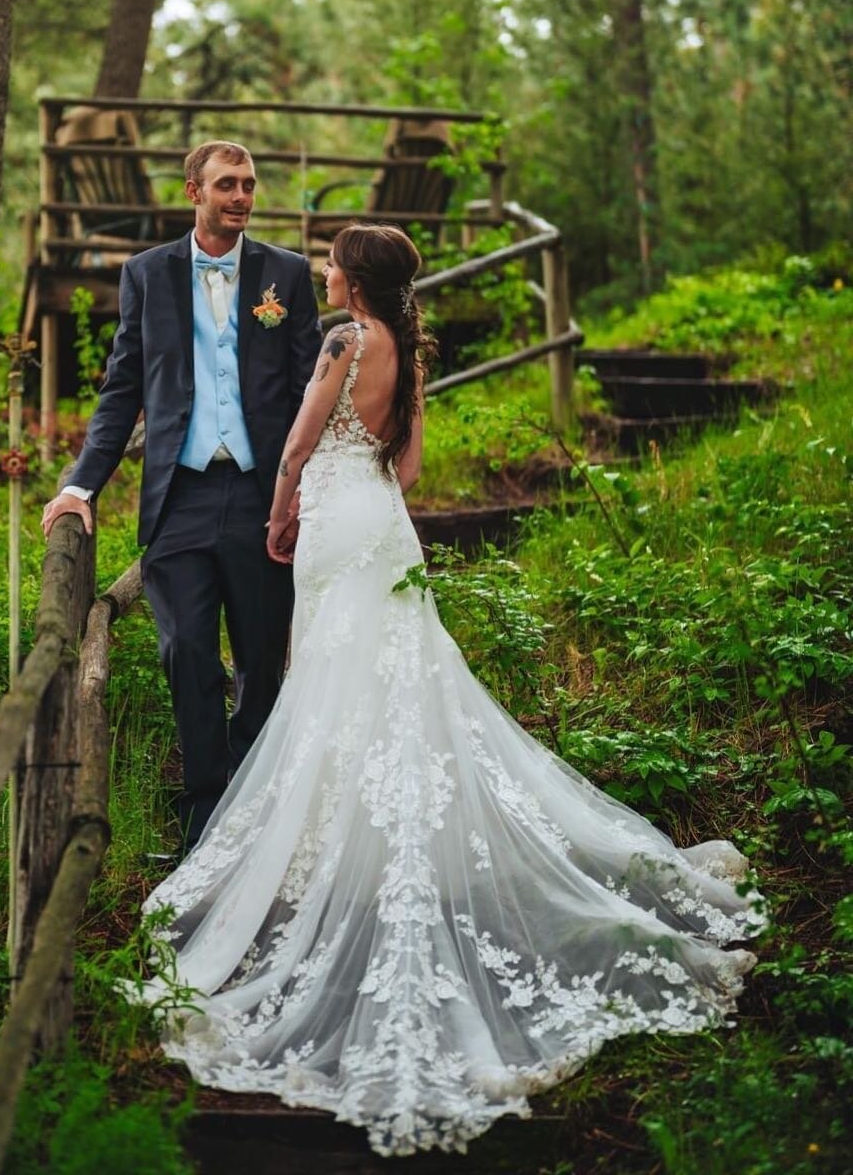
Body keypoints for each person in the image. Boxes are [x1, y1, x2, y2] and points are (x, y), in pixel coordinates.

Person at [133, 223, 767, 1157]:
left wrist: (279, 515)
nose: (324, 269)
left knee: (330, 685)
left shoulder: (344, 341)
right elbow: (413, 468)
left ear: (354, 278)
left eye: (334, 259)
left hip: (333, 522)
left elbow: (301, 441)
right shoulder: (410, 354)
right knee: (396, 683)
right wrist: (362, 481)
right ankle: (388, 839)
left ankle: (333, 850)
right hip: (384, 524)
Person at [41, 140, 321, 854]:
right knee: (186, 651)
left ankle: (253, 810)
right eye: (227, 184)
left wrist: (300, 495)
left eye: (250, 184)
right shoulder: (147, 274)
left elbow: (304, 394)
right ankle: (205, 813)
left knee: (261, 658)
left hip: (263, 496)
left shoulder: (285, 274)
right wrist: (80, 484)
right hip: (180, 499)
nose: (242, 196)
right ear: (193, 190)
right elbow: (122, 389)